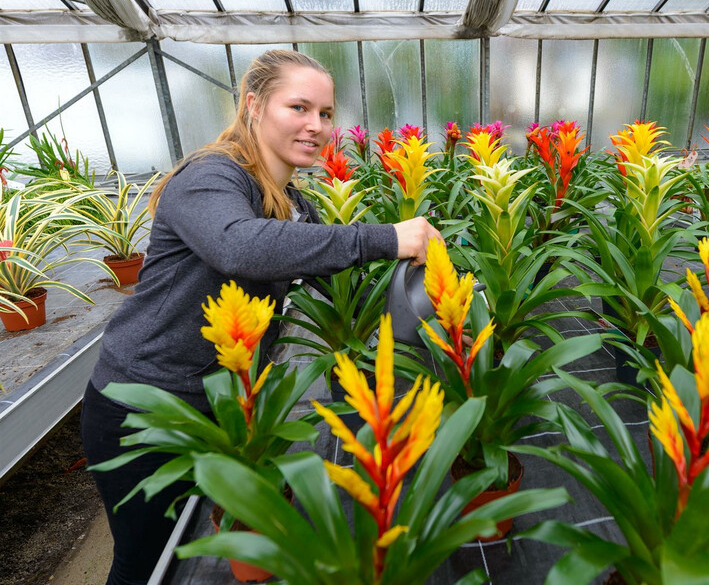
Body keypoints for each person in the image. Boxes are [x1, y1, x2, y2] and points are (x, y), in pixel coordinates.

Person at [79, 49, 442, 585]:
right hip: (146, 405)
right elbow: (238, 247)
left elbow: (335, 280)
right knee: (151, 561)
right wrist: (386, 237)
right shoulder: (209, 178)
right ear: (254, 105)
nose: (316, 126)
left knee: (197, 549)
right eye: (298, 107)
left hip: (220, 404)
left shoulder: (294, 203)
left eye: (324, 113)